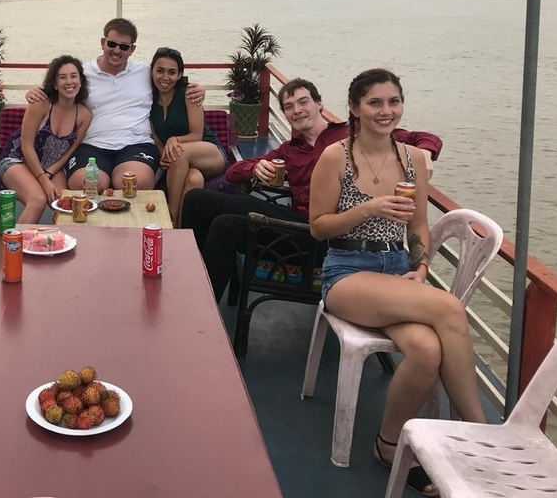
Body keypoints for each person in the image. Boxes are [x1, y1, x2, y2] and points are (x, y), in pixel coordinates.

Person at [309, 68, 483, 497]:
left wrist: (421, 268)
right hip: (348, 270)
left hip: (396, 269)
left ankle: (387, 445)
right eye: (375, 103)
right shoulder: (336, 157)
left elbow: (419, 226)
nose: (386, 111)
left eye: (393, 101)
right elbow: (318, 227)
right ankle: (479, 437)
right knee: (449, 307)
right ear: (355, 108)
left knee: (426, 350)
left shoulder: (413, 159)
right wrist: (368, 209)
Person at [180, 77, 442, 303]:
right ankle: (191, 276)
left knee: (225, 227)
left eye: (303, 102)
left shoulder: (353, 134)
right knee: (196, 199)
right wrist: (256, 167)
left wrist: (426, 154)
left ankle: (203, 306)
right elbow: (233, 172)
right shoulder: (289, 150)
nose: (297, 110)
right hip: (298, 220)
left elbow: (422, 138)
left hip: (326, 237)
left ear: (319, 105)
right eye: (289, 107)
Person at [26, 18, 205, 191]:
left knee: (135, 182)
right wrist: (33, 92)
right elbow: (58, 87)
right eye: (112, 44)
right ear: (102, 42)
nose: (117, 50)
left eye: (124, 46)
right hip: (91, 144)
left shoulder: (145, 72)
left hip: (136, 144)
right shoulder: (83, 73)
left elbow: (170, 80)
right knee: (86, 183)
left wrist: (199, 89)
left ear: (132, 49)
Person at [0, 55, 92, 223]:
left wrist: (50, 171)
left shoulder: (84, 115)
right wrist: (44, 180)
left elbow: (71, 149)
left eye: (74, 76)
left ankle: (61, 238)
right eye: (62, 77)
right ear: (55, 84)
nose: (69, 82)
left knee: (63, 203)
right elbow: (26, 145)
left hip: (51, 166)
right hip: (18, 159)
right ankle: (15, 240)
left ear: (81, 81)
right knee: (37, 200)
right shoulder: (41, 104)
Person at [149, 47, 226, 227]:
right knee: (194, 180)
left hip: (208, 152)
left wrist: (173, 140)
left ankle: (171, 217)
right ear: (152, 72)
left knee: (179, 151)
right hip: (179, 159)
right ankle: (185, 231)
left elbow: (197, 134)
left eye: (171, 72)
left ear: (179, 75)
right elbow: (155, 136)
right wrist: (163, 155)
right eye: (160, 71)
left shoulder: (188, 93)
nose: (165, 77)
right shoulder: (148, 99)